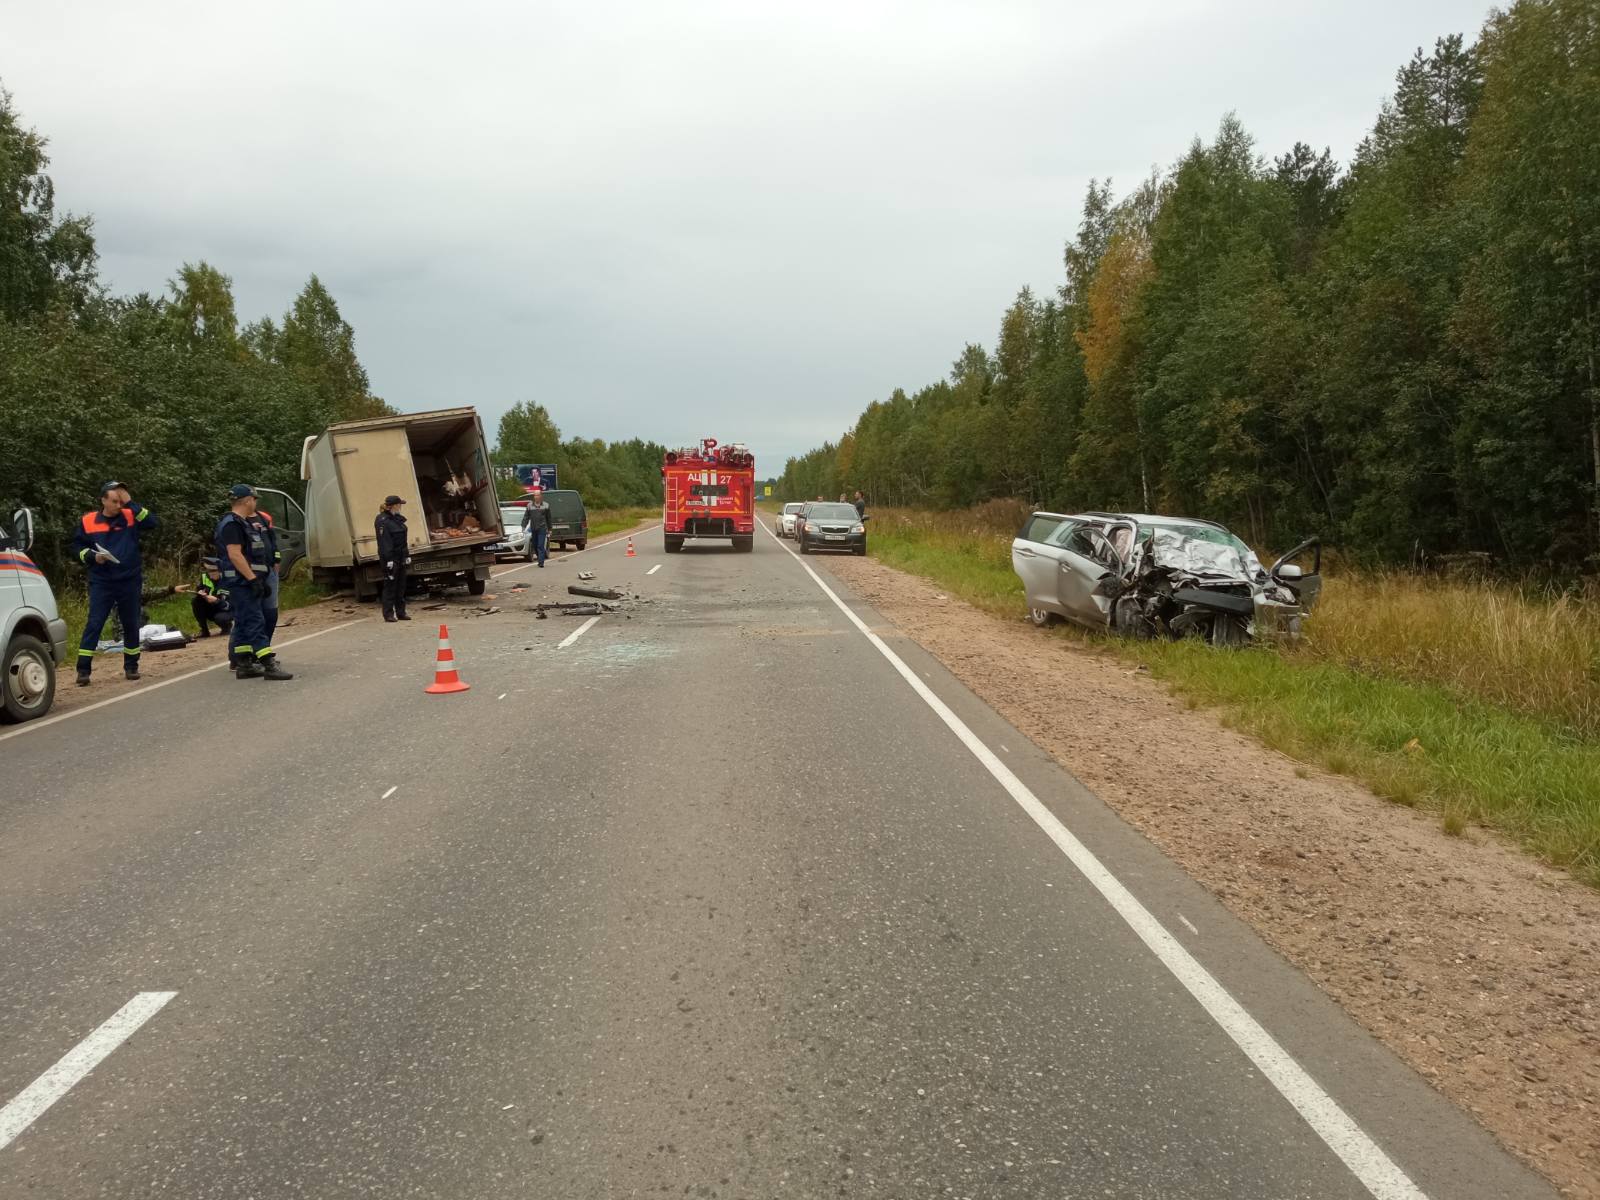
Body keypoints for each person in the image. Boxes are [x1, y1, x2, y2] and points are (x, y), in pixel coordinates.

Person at [71, 480, 158, 686]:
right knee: (95, 623)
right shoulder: (88, 521)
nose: (119, 505)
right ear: (103, 500)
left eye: (121, 500)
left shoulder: (130, 514)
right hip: (102, 580)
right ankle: (83, 669)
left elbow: (152, 523)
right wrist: (93, 556)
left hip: (129, 579)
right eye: (115, 501)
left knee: (131, 623)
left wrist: (131, 502)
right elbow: (76, 547)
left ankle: (131, 666)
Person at [215, 484, 292, 680]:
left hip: (247, 580)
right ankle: (268, 665)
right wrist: (252, 579)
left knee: (242, 622)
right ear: (247, 500)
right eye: (254, 499)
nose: (255, 503)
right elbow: (235, 554)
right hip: (242, 582)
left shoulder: (243, 522)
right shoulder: (232, 524)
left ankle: (244, 664)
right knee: (255, 621)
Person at [375, 495, 411, 621]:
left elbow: (403, 539)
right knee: (390, 586)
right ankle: (388, 614)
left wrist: (406, 555)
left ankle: (401, 612)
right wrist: (389, 559)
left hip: (400, 556)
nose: (400, 507)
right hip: (390, 558)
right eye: (399, 504)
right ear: (393, 505)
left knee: (401, 586)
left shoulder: (397, 519)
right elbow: (385, 542)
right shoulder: (382, 521)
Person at [191, 557, 233, 638]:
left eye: (213, 571)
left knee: (220, 618)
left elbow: (233, 604)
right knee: (196, 601)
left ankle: (226, 627)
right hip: (211, 607)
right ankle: (204, 631)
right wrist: (200, 593)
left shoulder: (229, 580)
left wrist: (217, 601)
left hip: (227, 609)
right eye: (208, 571)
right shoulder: (205, 577)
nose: (210, 574)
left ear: (221, 571)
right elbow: (200, 589)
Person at [520, 489, 551, 568]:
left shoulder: (546, 505)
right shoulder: (529, 505)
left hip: (542, 528)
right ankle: (541, 556)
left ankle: (541, 562)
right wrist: (523, 526)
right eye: (535, 495)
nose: (536, 497)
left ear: (541, 496)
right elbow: (526, 517)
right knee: (535, 545)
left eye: (537, 495)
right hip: (533, 528)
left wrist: (550, 529)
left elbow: (549, 518)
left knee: (540, 545)